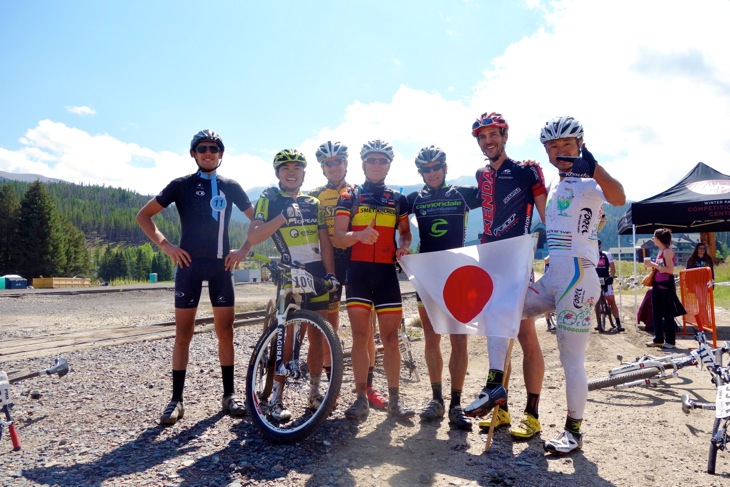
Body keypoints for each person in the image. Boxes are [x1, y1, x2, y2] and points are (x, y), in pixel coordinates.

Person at [521, 115, 626, 454]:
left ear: (580, 144)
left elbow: (619, 197)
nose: (560, 150)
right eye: (553, 145)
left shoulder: (589, 181)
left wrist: (594, 168)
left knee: (571, 360)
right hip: (553, 277)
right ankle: (499, 392)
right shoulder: (554, 182)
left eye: (566, 143)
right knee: (508, 311)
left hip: (579, 279)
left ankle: (573, 432)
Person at [136, 130, 254, 425]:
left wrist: (244, 249)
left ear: (221, 153)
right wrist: (166, 246)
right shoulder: (181, 185)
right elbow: (144, 216)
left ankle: (229, 395)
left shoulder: (231, 186)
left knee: (225, 332)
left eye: (214, 148)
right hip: (188, 267)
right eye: (202, 148)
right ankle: (176, 400)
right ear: (193, 153)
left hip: (221, 268)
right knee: (183, 335)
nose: (208, 152)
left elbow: (258, 222)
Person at [463, 112, 548, 441]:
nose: (488, 141)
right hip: (491, 263)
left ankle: (533, 414)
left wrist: (557, 251)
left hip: (519, 262)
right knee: (498, 333)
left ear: (504, 135)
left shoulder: (527, 171)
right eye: (482, 137)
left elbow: (546, 215)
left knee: (526, 338)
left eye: (493, 135)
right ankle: (502, 411)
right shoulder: (481, 175)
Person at [245, 149, 338, 421]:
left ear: (304, 173)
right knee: (287, 336)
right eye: (285, 168)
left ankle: (314, 391)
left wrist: (330, 274)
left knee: (319, 334)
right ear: (277, 173)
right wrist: (283, 217)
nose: (291, 172)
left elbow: (325, 241)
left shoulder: (313, 201)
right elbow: (254, 235)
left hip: (317, 271)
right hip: (289, 271)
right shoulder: (269, 198)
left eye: (297, 168)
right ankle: (276, 398)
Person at [333, 139, 414, 421]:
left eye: (382, 161)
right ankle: (360, 399)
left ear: (389, 165)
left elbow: (405, 232)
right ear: (363, 164)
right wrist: (358, 236)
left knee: (391, 339)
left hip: (386, 275)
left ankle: (395, 400)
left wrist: (403, 245)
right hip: (358, 273)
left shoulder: (397, 198)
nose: (377, 165)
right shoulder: (350, 196)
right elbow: (338, 237)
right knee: (360, 337)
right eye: (372, 160)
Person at [308, 141, 387, 409]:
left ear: (346, 163)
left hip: (356, 262)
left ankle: (368, 388)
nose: (333, 166)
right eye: (328, 163)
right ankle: (329, 388)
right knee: (326, 327)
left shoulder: (357, 192)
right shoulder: (314, 196)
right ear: (322, 167)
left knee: (366, 330)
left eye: (338, 161)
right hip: (325, 265)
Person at [406, 145, 480, 430]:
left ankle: (456, 404)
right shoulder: (413, 199)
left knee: (459, 339)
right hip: (427, 276)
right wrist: (402, 247)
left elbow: (495, 194)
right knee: (431, 338)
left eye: (437, 167)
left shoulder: (461, 193)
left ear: (445, 168)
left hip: (457, 274)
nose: (432, 173)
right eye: (426, 169)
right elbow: (397, 227)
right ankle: (436, 400)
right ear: (420, 172)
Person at [644, 228, 686, 350]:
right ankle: (658, 339)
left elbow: (670, 270)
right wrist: (653, 267)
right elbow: (661, 267)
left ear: (658, 239)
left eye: (654, 238)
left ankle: (670, 341)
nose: (653, 240)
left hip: (665, 286)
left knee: (667, 314)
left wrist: (653, 265)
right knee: (656, 313)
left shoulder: (667, 251)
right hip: (657, 284)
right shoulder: (660, 250)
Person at [594, 240, 625, 332]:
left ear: (600, 245)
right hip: (595, 281)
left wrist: (611, 277)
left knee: (612, 301)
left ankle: (618, 323)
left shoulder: (606, 254)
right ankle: (599, 323)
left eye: (598, 245)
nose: (597, 247)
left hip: (606, 280)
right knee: (597, 302)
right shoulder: (590, 255)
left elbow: (612, 267)